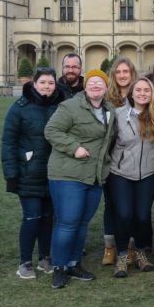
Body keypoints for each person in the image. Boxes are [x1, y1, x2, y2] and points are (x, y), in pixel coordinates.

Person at [44, 69, 116, 289]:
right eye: (92, 82)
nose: (96, 86)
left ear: (106, 88)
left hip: (93, 176)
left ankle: (74, 264)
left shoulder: (109, 110)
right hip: (68, 174)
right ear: (86, 87)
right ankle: (59, 267)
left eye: (100, 83)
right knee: (67, 223)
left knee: (82, 223)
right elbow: (51, 130)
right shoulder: (70, 107)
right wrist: (74, 148)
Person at [1, 67, 65, 279]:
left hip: (54, 172)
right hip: (29, 172)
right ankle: (25, 261)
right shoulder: (20, 108)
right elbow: (8, 142)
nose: (47, 86)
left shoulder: (61, 105)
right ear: (34, 84)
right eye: (43, 82)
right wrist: (11, 175)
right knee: (32, 217)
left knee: (48, 218)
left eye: (51, 83)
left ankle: (45, 257)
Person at [108, 77, 154, 278]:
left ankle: (140, 253)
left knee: (142, 216)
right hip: (121, 173)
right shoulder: (118, 114)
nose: (142, 93)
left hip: (147, 173)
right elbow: (107, 141)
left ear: (151, 93)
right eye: (138, 90)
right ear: (131, 93)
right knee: (123, 215)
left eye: (146, 90)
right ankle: (122, 255)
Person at [102, 57, 138, 267]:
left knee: (131, 207)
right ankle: (110, 246)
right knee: (111, 206)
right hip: (112, 161)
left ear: (132, 74)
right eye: (119, 72)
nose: (123, 75)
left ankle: (131, 246)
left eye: (126, 71)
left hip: (135, 161)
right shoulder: (108, 100)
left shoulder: (141, 95)